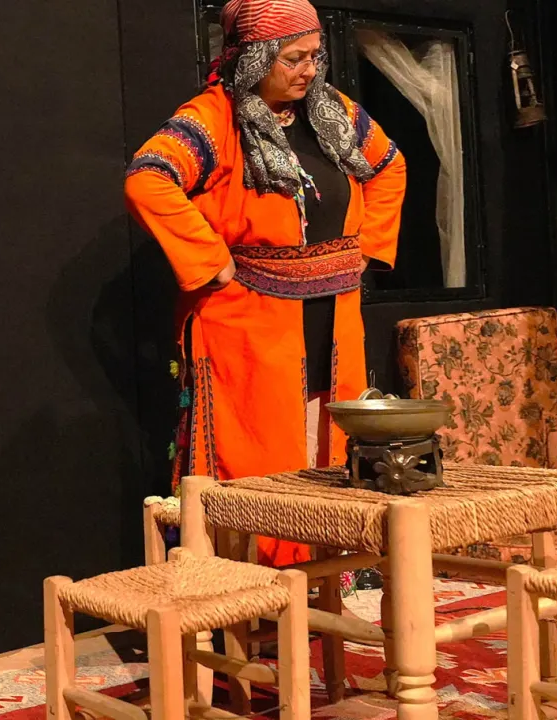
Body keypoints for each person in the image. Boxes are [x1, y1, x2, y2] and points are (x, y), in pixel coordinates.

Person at [124, 0, 406, 566]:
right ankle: (259, 584)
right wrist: (210, 260)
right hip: (249, 316)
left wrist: (367, 248)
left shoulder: (332, 111)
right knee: (258, 454)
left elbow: (389, 164)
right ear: (254, 59)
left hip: (333, 313)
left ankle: (325, 574)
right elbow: (148, 178)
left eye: (314, 56)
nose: (309, 70)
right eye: (293, 58)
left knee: (326, 438)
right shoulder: (213, 118)